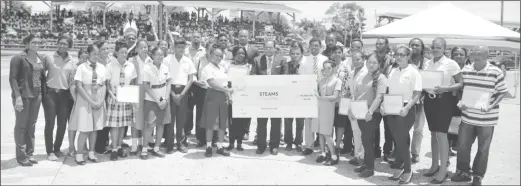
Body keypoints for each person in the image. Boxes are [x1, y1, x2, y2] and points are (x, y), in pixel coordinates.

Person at [451, 46, 508, 186]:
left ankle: (478, 176)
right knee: (462, 146)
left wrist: (491, 105)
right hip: (468, 116)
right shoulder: (466, 70)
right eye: (474, 53)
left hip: (487, 119)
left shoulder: (496, 72)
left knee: (483, 149)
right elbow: (461, 88)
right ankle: (463, 172)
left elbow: (502, 92)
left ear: (487, 56)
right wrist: (460, 101)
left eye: (480, 54)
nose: (477, 56)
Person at [422, 38, 463, 184]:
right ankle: (434, 165)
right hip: (429, 100)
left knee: (441, 134)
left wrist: (445, 88)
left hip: (444, 100)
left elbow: (460, 83)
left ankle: (443, 170)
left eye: (438, 47)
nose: (435, 49)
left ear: (444, 48)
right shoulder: (427, 63)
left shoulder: (451, 64)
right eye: (433, 47)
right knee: (433, 133)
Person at [383, 45, 422, 184]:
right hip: (391, 107)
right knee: (397, 138)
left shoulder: (413, 72)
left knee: (401, 139)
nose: (398, 57)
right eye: (397, 54)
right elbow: (388, 90)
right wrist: (383, 105)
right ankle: (399, 167)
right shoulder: (393, 71)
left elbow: (417, 93)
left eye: (402, 54)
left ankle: (407, 169)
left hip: (406, 108)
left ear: (408, 56)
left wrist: (407, 108)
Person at [9, 34, 45, 166]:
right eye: (34, 42)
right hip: (23, 96)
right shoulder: (18, 58)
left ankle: (30, 153)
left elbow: (41, 78)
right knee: (21, 126)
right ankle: (21, 156)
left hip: (36, 96)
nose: (36, 44)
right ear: (27, 44)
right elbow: (12, 79)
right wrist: (17, 97)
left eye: (38, 42)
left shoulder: (39, 58)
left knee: (32, 126)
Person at [69, 44, 108, 165]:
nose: (96, 56)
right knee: (85, 129)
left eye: (97, 54)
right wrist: (90, 101)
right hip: (85, 100)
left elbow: (104, 84)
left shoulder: (102, 67)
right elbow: (79, 87)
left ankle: (91, 153)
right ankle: (79, 155)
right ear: (89, 54)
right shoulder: (82, 67)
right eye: (94, 54)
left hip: (98, 100)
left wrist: (101, 101)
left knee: (95, 129)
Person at [350, 54, 387, 178]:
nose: (371, 65)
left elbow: (379, 97)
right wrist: (352, 109)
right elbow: (357, 93)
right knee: (365, 139)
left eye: (374, 63)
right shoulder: (364, 76)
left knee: (368, 140)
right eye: (369, 62)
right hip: (360, 112)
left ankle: (370, 168)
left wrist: (370, 112)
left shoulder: (381, 78)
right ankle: (366, 164)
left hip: (372, 114)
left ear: (379, 65)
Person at [250, 40, 287, 155]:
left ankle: (274, 145)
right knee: (261, 121)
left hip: (276, 95)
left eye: (271, 48)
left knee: (276, 121)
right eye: (266, 47)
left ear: (275, 48)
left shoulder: (282, 59)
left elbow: (285, 76)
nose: (269, 50)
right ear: (263, 48)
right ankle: (261, 145)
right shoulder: (257, 60)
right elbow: (252, 75)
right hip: (262, 96)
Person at [41, 35, 75, 161]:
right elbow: (41, 75)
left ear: (69, 46)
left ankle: (57, 149)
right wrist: (44, 92)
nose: (62, 46)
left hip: (64, 95)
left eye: (65, 44)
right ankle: (49, 151)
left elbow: (71, 80)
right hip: (50, 95)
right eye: (60, 43)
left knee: (62, 125)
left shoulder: (72, 60)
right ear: (57, 43)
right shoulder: (48, 57)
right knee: (50, 123)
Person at [105, 41, 137, 161]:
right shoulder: (110, 66)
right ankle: (113, 148)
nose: (124, 54)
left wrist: (132, 98)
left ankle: (119, 147)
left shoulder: (131, 66)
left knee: (123, 124)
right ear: (116, 53)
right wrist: (112, 96)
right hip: (114, 97)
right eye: (122, 52)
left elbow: (133, 83)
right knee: (114, 125)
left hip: (126, 97)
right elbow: (107, 84)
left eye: (125, 52)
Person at [164, 38, 196, 154]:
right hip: (170, 89)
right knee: (170, 120)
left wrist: (182, 94)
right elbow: (165, 78)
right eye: (178, 47)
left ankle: (180, 143)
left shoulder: (188, 61)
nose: (181, 49)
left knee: (182, 119)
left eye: (183, 47)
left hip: (183, 91)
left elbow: (191, 79)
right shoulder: (167, 60)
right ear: (173, 47)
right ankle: (169, 144)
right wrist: (172, 94)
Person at [200, 47, 233, 157]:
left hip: (223, 97)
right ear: (210, 55)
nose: (218, 57)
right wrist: (226, 90)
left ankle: (220, 146)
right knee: (210, 122)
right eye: (216, 55)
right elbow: (212, 83)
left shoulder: (222, 68)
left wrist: (228, 95)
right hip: (212, 96)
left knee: (222, 122)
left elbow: (226, 84)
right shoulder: (207, 68)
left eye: (220, 56)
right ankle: (209, 146)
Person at [299, 38, 329, 156]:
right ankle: (309, 145)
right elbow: (301, 77)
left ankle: (324, 146)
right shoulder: (304, 60)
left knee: (322, 119)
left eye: (317, 46)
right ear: (309, 47)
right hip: (309, 93)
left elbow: (328, 75)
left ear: (321, 47)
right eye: (312, 46)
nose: (314, 48)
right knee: (308, 120)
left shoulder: (325, 60)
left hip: (322, 92)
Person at [141, 47, 171, 160]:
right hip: (151, 99)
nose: (160, 57)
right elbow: (146, 86)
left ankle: (157, 148)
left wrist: (166, 99)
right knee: (149, 125)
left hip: (164, 99)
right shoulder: (147, 68)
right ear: (152, 55)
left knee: (161, 124)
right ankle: (144, 148)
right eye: (157, 55)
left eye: (162, 54)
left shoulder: (165, 67)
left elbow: (168, 82)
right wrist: (158, 101)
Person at [313, 60, 342, 166]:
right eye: (325, 68)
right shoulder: (320, 80)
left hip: (329, 109)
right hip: (319, 108)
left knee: (326, 133)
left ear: (334, 68)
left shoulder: (337, 81)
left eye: (329, 68)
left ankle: (334, 155)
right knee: (320, 132)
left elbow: (335, 97)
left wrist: (321, 97)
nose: (327, 70)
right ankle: (323, 153)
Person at [192, 41, 219, 148]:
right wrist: (196, 81)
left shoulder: (219, 60)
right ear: (206, 50)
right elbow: (192, 74)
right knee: (200, 115)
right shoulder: (199, 60)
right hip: (202, 90)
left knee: (215, 115)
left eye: (214, 49)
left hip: (215, 90)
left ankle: (214, 139)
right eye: (210, 49)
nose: (212, 51)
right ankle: (201, 138)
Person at [329, 45, 354, 156]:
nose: (337, 54)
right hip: (329, 99)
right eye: (335, 52)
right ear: (332, 54)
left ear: (342, 53)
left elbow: (349, 82)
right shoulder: (328, 65)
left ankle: (338, 144)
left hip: (342, 99)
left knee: (340, 124)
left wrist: (345, 97)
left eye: (339, 52)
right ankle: (329, 145)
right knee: (329, 123)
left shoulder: (345, 66)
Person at [128, 39, 152, 155]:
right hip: (136, 90)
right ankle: (133, 145)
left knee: (146, 118)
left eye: (146, 47)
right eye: (141, 47)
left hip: (148, 91)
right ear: (136, 49)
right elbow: (129, 79)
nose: (144, 49)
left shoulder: (151, 61)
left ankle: (143, 143)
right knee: (135, 119)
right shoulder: (131, 61)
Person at [226, 46, 252, 151]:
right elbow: (226, 82)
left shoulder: (248, 67)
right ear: (234, 55)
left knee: (241, 121)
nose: (241, 55)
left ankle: (239, 143)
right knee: (232, 121)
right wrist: (229, 95)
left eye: (243, 53)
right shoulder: (228, 66)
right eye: (238, 53)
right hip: (231, 96)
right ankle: (231, 142)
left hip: (243, 97)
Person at [374, 37, 395, 162]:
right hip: (375, 95)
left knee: (389, 126)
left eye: (381, 44)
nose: (378, 46)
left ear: (387, 45)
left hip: (388, 95)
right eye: (377, 44)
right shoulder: (372, 58)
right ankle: (375, 149)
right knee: (374, 125)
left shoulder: (393, 60)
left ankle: (387, 151)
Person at [282, 42, 306, 152]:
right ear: (290, 54)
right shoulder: (286, 65)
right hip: (288, 97)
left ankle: (299, 142)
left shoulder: (305, 66)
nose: (295, 55)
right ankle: (288, 141)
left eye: (297, 53)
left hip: (301, 97)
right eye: (293, 53)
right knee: (288, 121)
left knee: (300, 122)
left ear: (301, 54)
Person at [236, 29, 259, 141]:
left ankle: (246, 131)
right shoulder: (233, 48)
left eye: (245, 36)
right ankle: (236, 130)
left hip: (249, 82)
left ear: (248, 37)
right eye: (241, 36)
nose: (243, 38)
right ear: (238, 37)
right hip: (236, 81)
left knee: (247, 108)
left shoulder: (254, 50)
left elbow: (257, 64)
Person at [408, 38, 429, 163]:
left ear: (422, 48)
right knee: (402, 126)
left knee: (418, 128)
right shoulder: (404, 59)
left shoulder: (427, 63)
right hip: (405, 98)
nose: (414, 47)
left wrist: (423, 94)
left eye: (417, 45)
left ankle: (415, 152)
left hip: (421, 98)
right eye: (412, 45)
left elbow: (430, 81)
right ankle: (399, 149)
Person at [448, 47, 470, 157]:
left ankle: (458, 146)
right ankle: (448, 149)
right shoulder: (447, 69)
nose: (458, 56)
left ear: (466, 57)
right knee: (450, 125)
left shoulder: (470, 70)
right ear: (451, 56)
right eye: (456, 54)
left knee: (462, 126)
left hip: (466, 101)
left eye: (461, 54)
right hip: (450, 101)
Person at [185, 32, 206, 143]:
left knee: (200, 110)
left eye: (198, 37)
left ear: (201, 38)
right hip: (189, 82)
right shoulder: (186, 51)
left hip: (201, 84)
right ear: (191, 38)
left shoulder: (205, 51)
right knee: (188, 109)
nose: (196, 39)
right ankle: (187, 130)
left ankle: (199, 134)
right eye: (194, 37)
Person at [67, 49, 88, 157]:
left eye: (86, 57)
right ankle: (71, 146)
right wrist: (76, 101)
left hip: (84, 100)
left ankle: (83, 145)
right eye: (82, 57)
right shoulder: (75, 68)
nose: (84, 59)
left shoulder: (87, 68)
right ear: (79, 57)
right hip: (74, 99)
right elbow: (72, 86)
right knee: (73, 125)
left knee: (84, 123)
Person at [94, 41, 114, 154]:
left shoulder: (111, 61)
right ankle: (98, 146)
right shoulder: (95, 63)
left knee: (108, 119)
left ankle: (106, 143)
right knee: (100, 119)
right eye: (103, 49)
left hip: (111, 92)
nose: (106, 51)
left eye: (108, 49)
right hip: (100, 93)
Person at [346, 50, 366, 166]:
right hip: (353, 103)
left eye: (358, 59)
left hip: (363, 104)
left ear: (363, 59)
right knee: (355, 131)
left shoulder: (367, 72)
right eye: (354, 60)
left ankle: (363, 156)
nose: (356, 62)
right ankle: (356, 155)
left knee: (363, 132)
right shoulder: (352, 72)